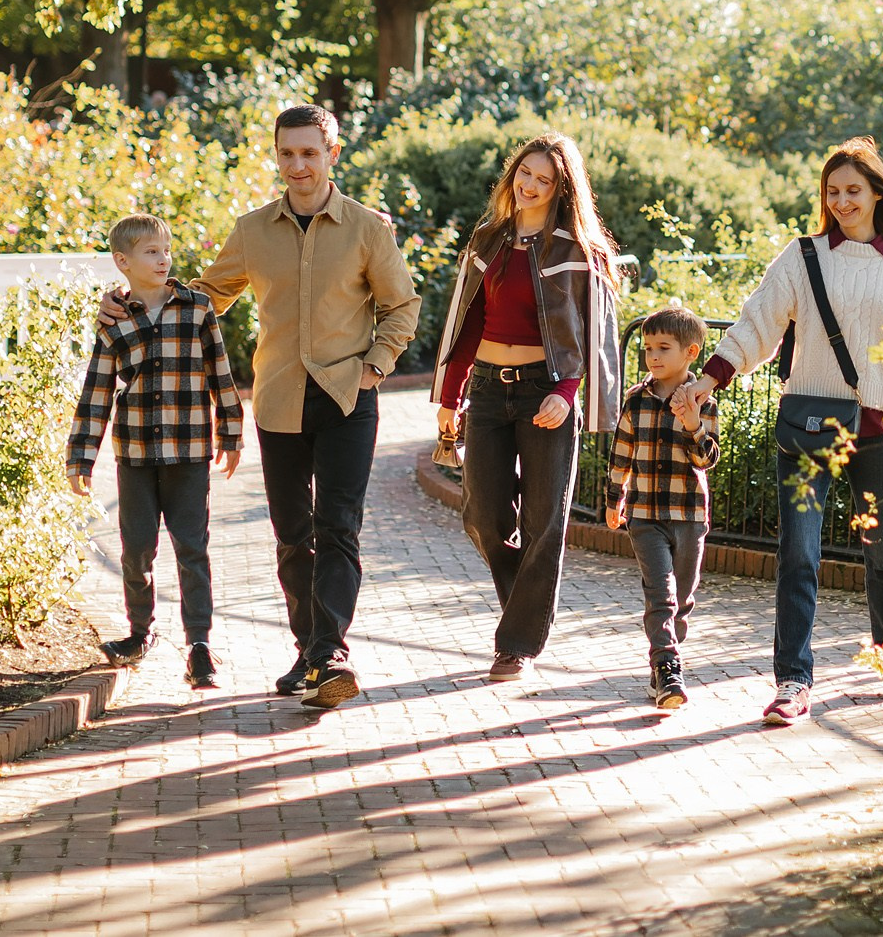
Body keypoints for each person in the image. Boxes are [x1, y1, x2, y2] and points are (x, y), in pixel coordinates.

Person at [100, 103, 417, 709]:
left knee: (338, 526)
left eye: (310, 153)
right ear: (276, 155)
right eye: (287, 153)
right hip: (279, 401)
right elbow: (204, 297)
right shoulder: (252, 231)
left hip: (347, 398)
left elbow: (401, 306)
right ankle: (310, 652)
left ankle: (330, 654)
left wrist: (374, 367)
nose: (298, 165)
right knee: (293, 535)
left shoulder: (366, 229)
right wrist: (128, 298)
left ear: (332, 154)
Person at [674, 136, 883, 727]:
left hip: (881, 428)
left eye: (854, 190)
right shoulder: (802, 257)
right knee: (799, 553)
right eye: (833, 191)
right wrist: (708, 380)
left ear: (878, 194)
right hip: (809, 427)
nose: (843, 201)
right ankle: (792, 681)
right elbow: (758, 322)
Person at [431, 131, 624, 682]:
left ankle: (515, 644)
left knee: (545, 521)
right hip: (489, 391)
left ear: (562, 189)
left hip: (546, 392)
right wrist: (450, 398)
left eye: (544, 179)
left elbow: (592, 334)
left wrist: (566, 393)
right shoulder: (488, 239)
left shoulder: (577, 250)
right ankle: (528, 603)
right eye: (525, 173)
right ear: (512, 173)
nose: (531, 186)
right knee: (482, 516)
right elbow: (466, 323)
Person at [67, 213, 243, 688]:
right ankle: (139, 633)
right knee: (136, 550)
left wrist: (230, 433)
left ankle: (199, 644)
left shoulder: (197, 308)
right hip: (137, 454)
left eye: (166, 249)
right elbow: (97, 390)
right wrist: (81, 455)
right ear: (123, 261)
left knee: (192, 548)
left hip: (189, 451)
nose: (164, 259)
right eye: (151, 252)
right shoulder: (115, 320)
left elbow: (220, 372)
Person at [604, 304, 720, 711]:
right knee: (661, 596)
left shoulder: (704, 402)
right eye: (648, 348)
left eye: (663, 348)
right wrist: (614, 498)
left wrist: (692, 424)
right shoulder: (635, 400)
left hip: (689, 515)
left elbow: (707, 459)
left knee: (682, 600)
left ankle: (663, 665)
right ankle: (668, 667)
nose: (653, 356)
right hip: (644, 515)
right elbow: (621, 453)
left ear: (690, 352)